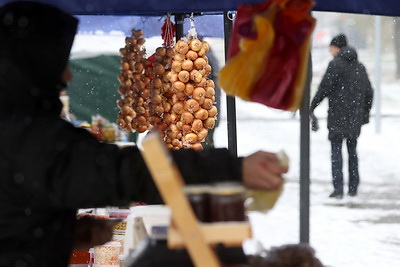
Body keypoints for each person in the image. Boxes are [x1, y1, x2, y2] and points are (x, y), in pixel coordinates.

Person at [0, 2, 287, 266]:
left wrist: (63, 233)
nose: (69, 77)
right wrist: (231, 168)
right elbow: (122, 172)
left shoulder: (16, 123)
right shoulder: (24, 132)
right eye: (61, 63)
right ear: (34, 62)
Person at [310, 34, 374, 199]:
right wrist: (364, 114)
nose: (330, 51)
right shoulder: (360, 67)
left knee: (336, 152)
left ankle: (338, 189)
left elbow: (324, 88)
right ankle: (353, 188)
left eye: (331, 48)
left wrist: (312, 106)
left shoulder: (335, 65)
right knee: (352, 151)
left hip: (337, 116)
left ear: (337, 48)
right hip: (354, 118)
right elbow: (369, 92)